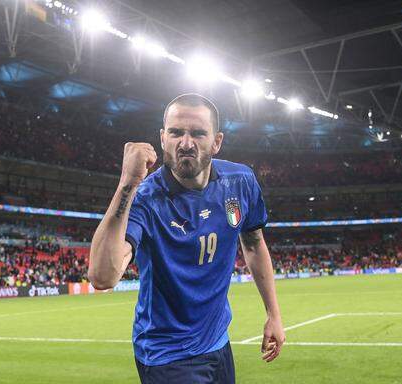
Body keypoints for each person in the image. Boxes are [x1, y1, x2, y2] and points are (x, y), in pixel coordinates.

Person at [88, 93, 284, 383]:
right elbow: (102, 277)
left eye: (198, 133)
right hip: (167, 355)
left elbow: (254, 243)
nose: (186, 143)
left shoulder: (240, 182)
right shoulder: (145, 198)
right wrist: (126, 184)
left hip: (218, 342)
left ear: (217, 141)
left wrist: (274, 314)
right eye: (176, 132)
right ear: (163, 138)